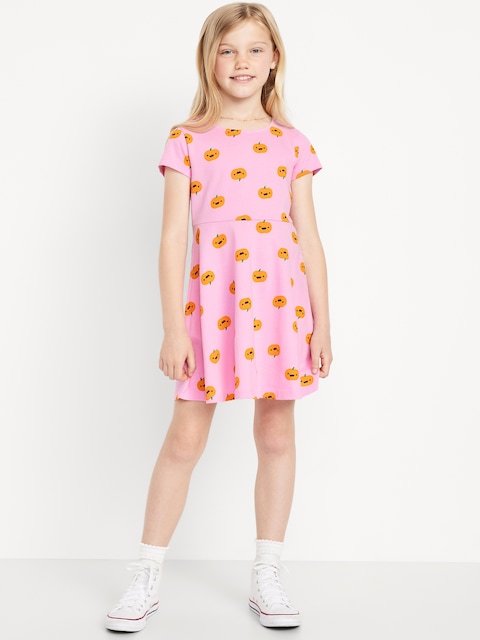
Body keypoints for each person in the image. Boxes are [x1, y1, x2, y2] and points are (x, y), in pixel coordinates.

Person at [105, 1, 332, 632]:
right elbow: (172, 238)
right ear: (209, 60)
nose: (241, 62)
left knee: (277, 435)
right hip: (212, 308)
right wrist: (173, 327)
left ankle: (268, 570)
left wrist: (323, 323)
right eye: (227, 50)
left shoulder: (292, 143)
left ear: (274, 58)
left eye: (255, 48)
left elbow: (310, 239)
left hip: (282, 308)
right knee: (184, 439)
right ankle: (146, 573)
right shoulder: (187, 139)